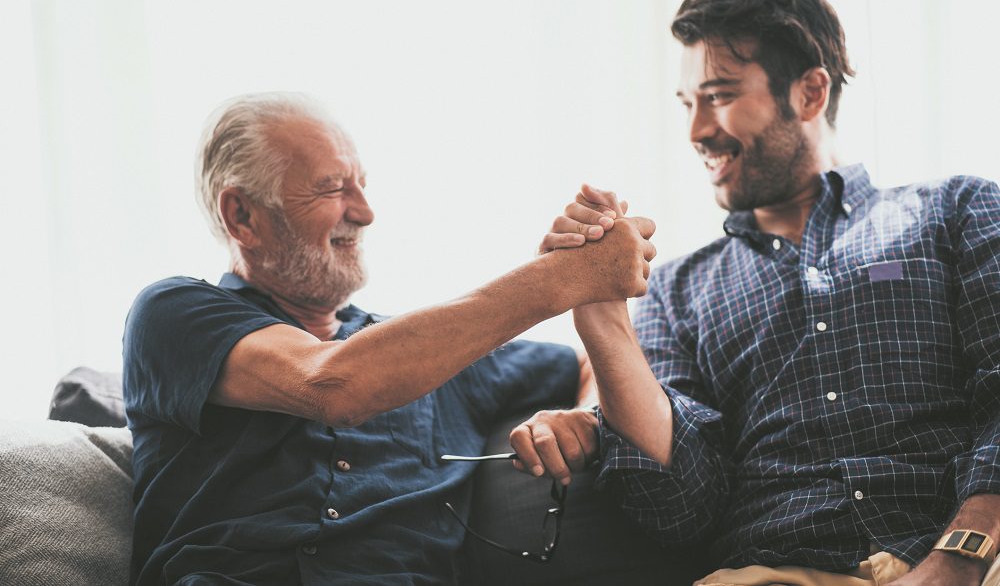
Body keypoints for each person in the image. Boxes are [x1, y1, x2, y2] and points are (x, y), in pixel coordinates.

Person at [514, 0, 1000, 586]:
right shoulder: (675, 291)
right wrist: (603, 320)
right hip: (777, 571)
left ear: (809, 94)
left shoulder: (956, 210)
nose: (696, 131)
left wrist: (960, 554)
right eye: (689, 104)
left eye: (719, 95)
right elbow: (678, 509)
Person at [121, 92, 656, 585]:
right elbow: (332, 384)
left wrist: (585, 416)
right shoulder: (173, 316)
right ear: (242, 215)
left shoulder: (443, 360)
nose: (365, 212)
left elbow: (585, 364)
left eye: (361, 185)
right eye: (332, 188)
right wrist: (565, 276)